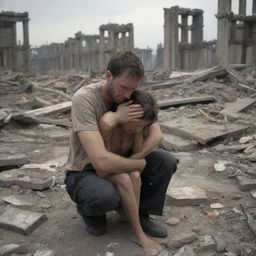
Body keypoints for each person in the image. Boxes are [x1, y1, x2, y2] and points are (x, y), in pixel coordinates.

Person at [64, 49, 177, 254]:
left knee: (165, 161)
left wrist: (138, 156)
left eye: (133, 88)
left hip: (120, 159)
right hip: (85, 169)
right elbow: (101, 164)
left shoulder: (129, 94)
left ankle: (138, 213)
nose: (127, 94)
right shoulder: (85, 99)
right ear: (108, 76)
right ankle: (89, 210)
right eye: (123, 87)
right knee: (104, 196)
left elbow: (156, 132)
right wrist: (114, 119)